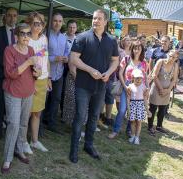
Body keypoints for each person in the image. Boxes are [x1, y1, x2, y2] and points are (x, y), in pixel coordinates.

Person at [69, 9, 119, 163]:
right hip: (83, 85)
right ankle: (74, 149)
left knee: (94, 117)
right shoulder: (82, 37)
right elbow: (73, 59)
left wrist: (109, 73)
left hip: (101, 86)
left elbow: (115, 60)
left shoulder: (111, 40)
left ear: (105, 22)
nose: (95, 21)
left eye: (99, 19)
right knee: (80, 117)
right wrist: (90, 70)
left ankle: (88, 145)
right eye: (94, 18)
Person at [1, 23, 40, 173]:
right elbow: (10, 74)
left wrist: (36, 71)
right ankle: (7, 158)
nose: (26, 36)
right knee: (13, 125)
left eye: (28, 33)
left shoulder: (30, 50)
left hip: (28, 91)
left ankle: (19, 150)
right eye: (23, 34)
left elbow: (32, 70)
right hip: (13, 92)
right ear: (16, 36)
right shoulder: (9, 50)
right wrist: (28, 62)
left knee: (24, 124)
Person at [109, 41, 148, 139]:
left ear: (142, 50)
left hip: (138, 89)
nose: (136, 50)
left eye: (139, 48)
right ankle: (115, 130)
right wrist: (125, 87)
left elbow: (146, 76)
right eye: (135, 48)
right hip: (126, 86)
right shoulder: (126, 59)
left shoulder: (144, 62)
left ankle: (129, 130)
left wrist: (147, 88)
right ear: (132, 49)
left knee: (133, 111)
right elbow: (120, 73)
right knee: (122, 110)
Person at [0, 7, 18, 139]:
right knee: (0, 100)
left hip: (17, 74)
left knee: (13, 100)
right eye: (9, 15)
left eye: (14, 16)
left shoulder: (21, 33)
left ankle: (10, 123)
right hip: (1, 72)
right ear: (5, 17)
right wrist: (6, 62)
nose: (12, 18)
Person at [25, 12, 50, 153]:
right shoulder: (26, 39)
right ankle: (23, 142)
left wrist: (49, 77)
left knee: (37, 113)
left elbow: (45, 58)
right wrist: (31, 82)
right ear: (30, 24)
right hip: (30, 80)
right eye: (35, 23)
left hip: (43, 79)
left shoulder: (44, 38)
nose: (38, 26)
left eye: (40, 23)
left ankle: (34, 141)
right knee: (27, 113)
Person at [45, 13, 70, 134]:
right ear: (51, 22)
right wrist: (53, 58)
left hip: (59, 73)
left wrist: (66, 57)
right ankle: (40, 122)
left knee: (56, 98)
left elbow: (66, 51)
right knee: (44, 99)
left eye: (60, 21)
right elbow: (40, 55)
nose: (57, 23)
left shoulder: (64, 37)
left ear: (62, 23)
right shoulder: (45, 35)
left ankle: (52, 123)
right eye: (55, 21)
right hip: (46, 73)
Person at [147, 49, 179, 136]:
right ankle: (150, 126)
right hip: (157, 88)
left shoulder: (175, 65)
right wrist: (161, 89)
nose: (171, 58)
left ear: (176, 58)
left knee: (163, 108)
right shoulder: (160, 61)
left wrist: (168, 90)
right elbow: (154, 75)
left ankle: (159, 126)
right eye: (171, 56)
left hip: (167, 90)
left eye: (174, 57)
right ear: (168, 54)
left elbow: (174, 79)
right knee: (153, 108)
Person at [126, 69, 150, 145]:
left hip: (140, 105)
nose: (139, 80)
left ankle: (137, 137)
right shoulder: (130, 86)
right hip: (132, 105)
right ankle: (133, 135)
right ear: (133, 78)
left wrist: (147, 110)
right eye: (137, 78)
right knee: (132, 122)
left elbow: (145, 100)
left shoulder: (143, 87)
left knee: (139, 122)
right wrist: (128, 109)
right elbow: (128, 98)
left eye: (140, 78)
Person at [60, 20, 78, 119]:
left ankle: (66, 112)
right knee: (62, 90)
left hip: (73, 67)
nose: (72, 29)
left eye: (74, 27)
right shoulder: (62, 37)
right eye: (70, 27)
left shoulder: (78, 39)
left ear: (76, 28)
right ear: (67, 27)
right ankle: (63, 112)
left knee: (68, 91)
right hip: (62, 66)